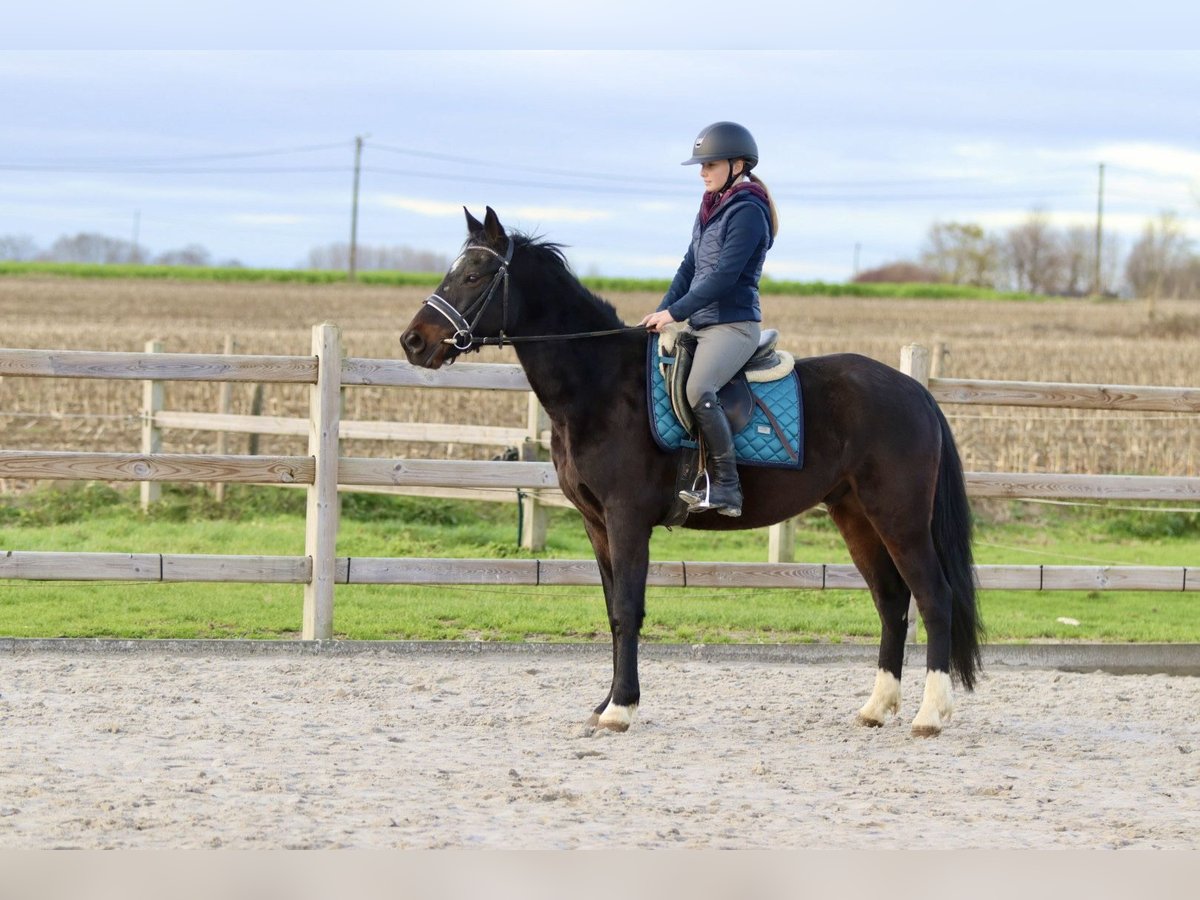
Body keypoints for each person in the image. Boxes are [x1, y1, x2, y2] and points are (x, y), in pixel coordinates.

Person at [639, 121, 780, 517]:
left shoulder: (749, 211)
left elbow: (723, 276)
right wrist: (662, 312)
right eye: (701, 165)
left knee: (698, 388)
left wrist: (676, 311)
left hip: (733, 325)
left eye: (710, 164)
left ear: (737, 165)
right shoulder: (710, 208)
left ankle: (727, 489)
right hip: (701, 323)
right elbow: (689, 266)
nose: (702, 172)